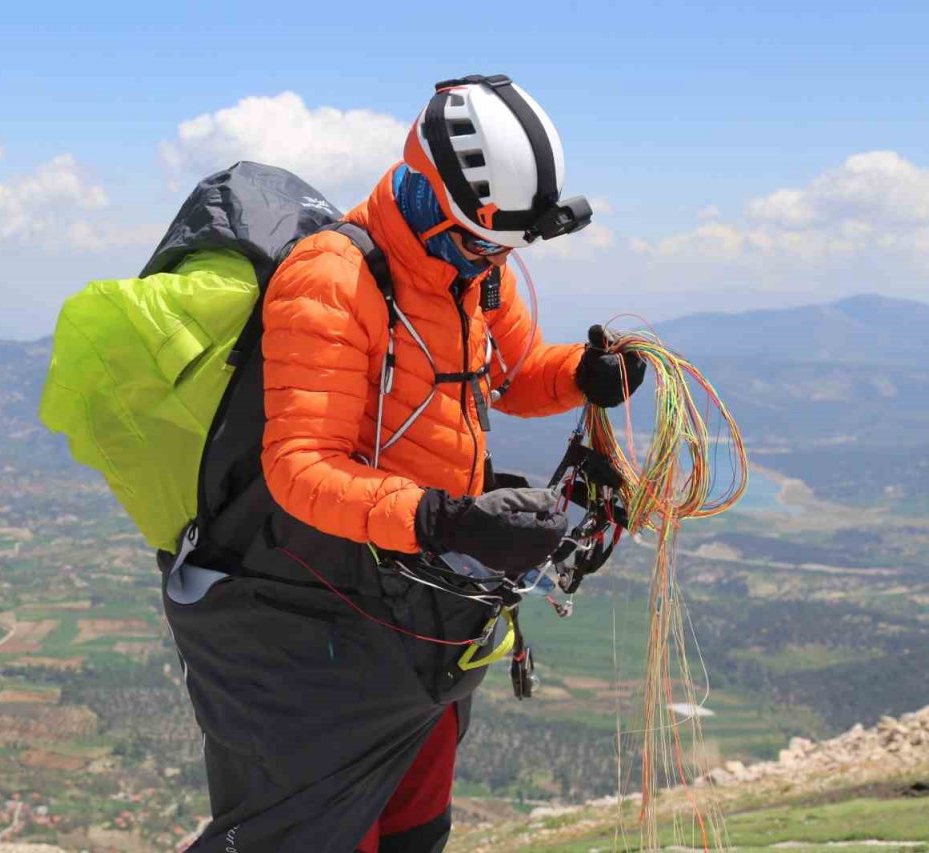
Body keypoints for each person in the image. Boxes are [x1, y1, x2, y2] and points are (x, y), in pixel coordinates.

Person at [164, 74, 645, 853]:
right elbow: (299, 467)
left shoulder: (473, 273)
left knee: (415, 826)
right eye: (480, 241)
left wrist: (581, 376)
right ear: (431, 197)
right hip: (329, 613)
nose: (492, 260)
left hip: (425, 609)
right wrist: (441, 519)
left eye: (501, 247)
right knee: (329, 831)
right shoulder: (332, 280)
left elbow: (513, 373)